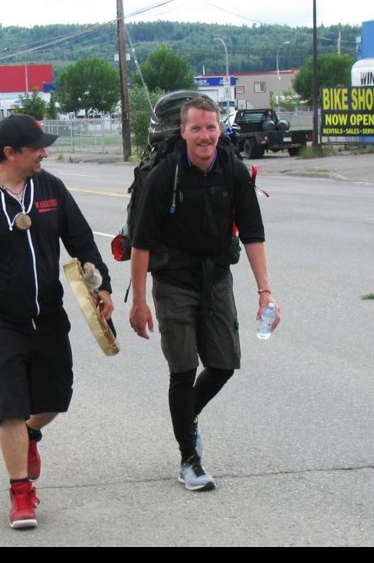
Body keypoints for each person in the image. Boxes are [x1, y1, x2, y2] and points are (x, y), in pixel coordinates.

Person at [0, 113, 115, 530]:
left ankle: (31, 435)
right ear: (11, 153)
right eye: (37, 148)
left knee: (54, 399)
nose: (45, 154)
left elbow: (81, 237)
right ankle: (21, 494)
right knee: (10, 405)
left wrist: (101, 284)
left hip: (47, 316)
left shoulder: (49, 187)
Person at [128, 95, 280, 492]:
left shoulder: (233, 171)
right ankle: (189, 459)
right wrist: (140, 300)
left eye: (210, 127)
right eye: (196, 128)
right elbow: (141, 242)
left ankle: (186, 420)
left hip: (216, 280)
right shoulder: (165, 176)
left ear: (219, 130)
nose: (204, 135)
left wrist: (266, 292)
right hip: (174, 281)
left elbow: (253, 233)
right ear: (183, 131)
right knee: (182, 368)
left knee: (224, 363)